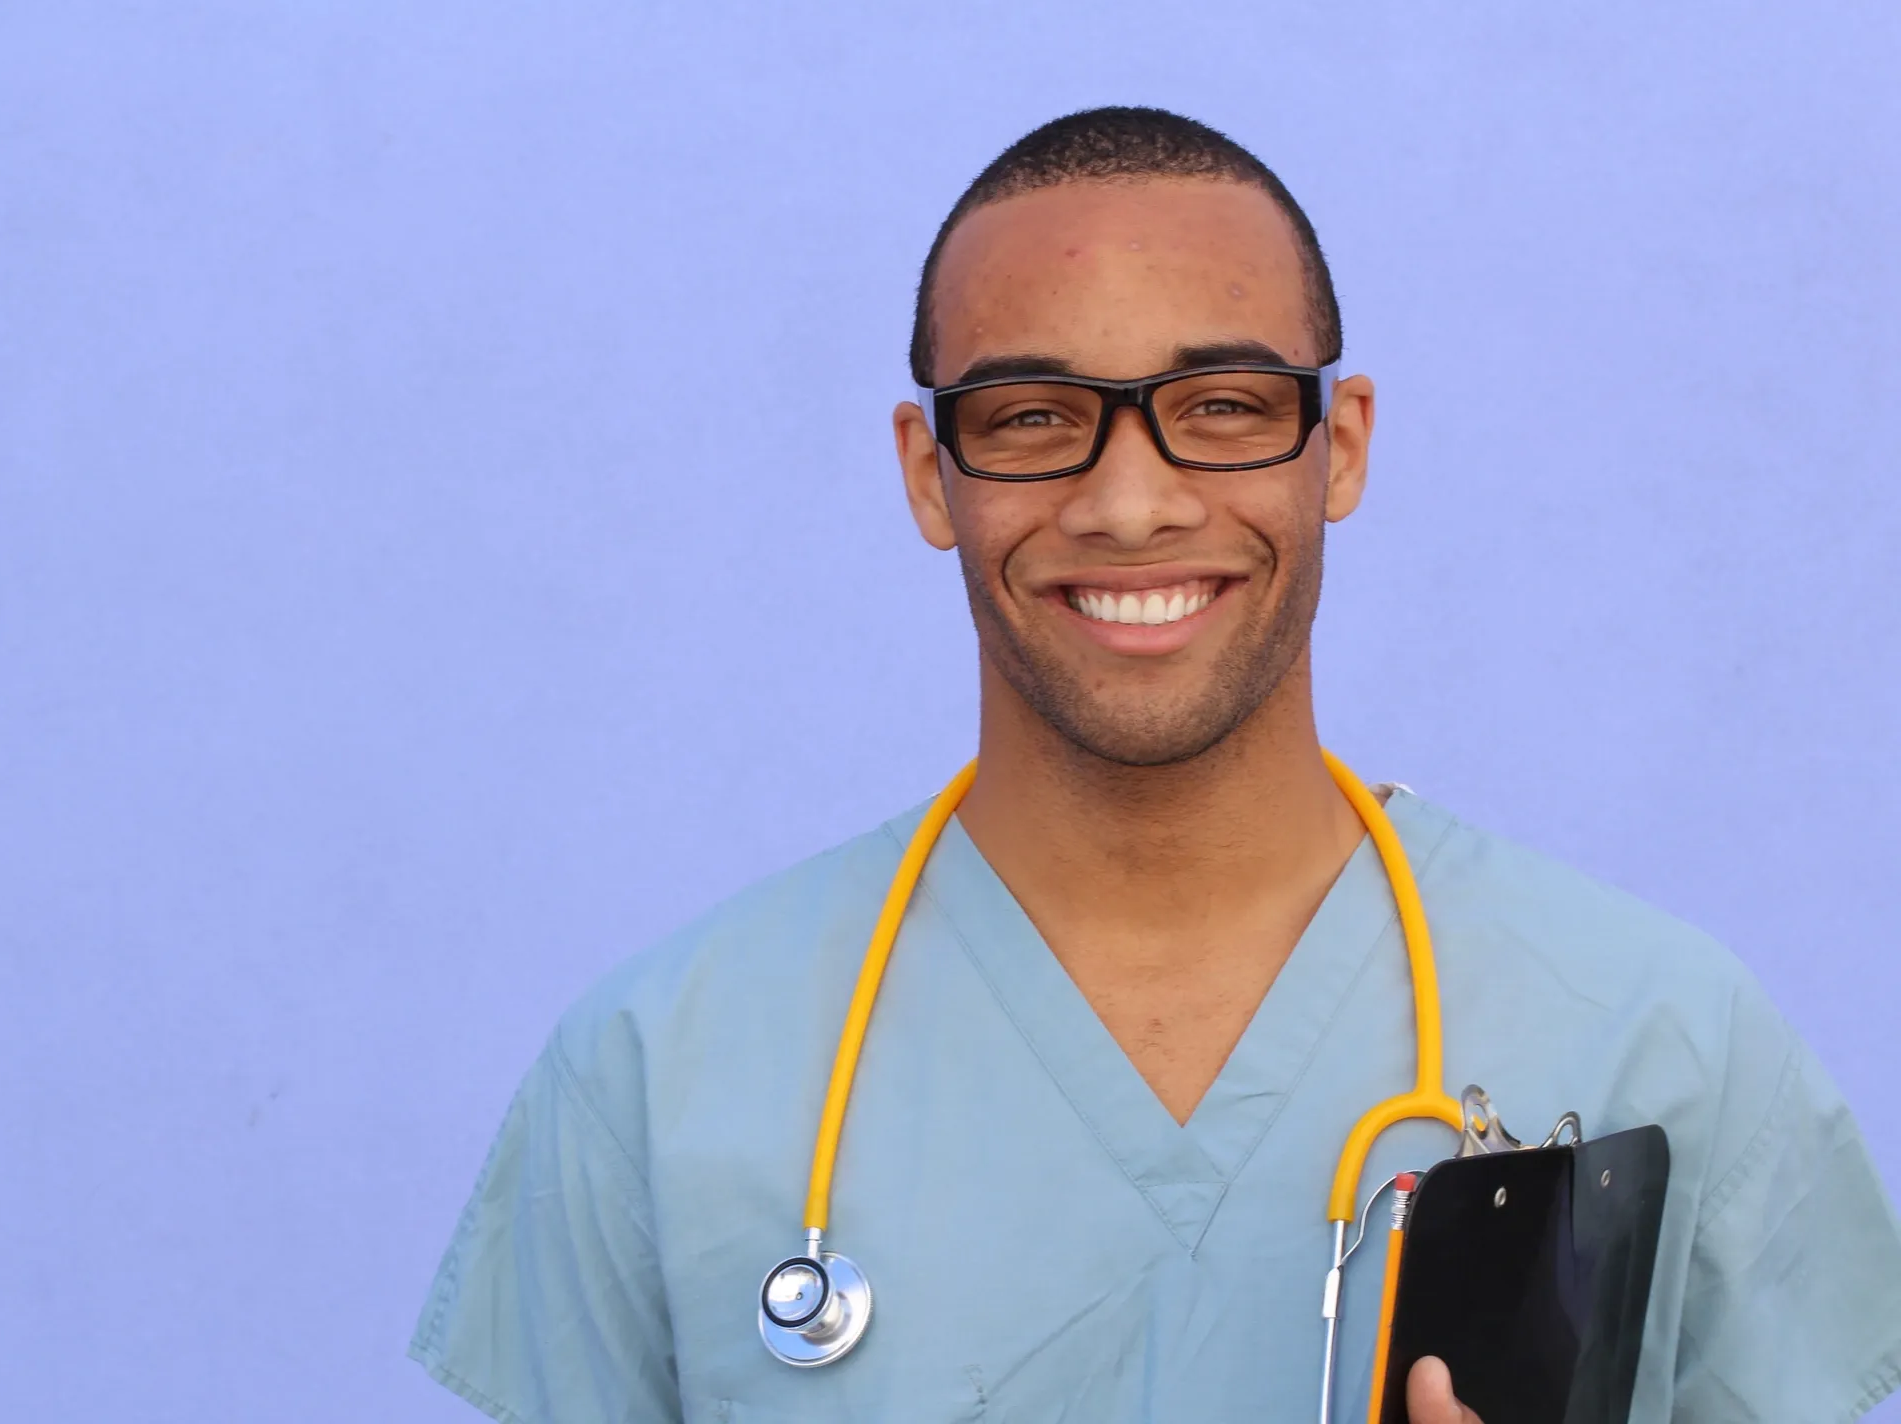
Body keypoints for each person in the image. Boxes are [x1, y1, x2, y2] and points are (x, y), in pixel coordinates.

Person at [409, 107, 1901, 1422]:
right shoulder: (660, 1076)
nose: (1130, 504)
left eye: (1224, 407)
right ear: (930, 475)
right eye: (1032, 418)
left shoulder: (1661, 1040)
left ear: (1341, 446)